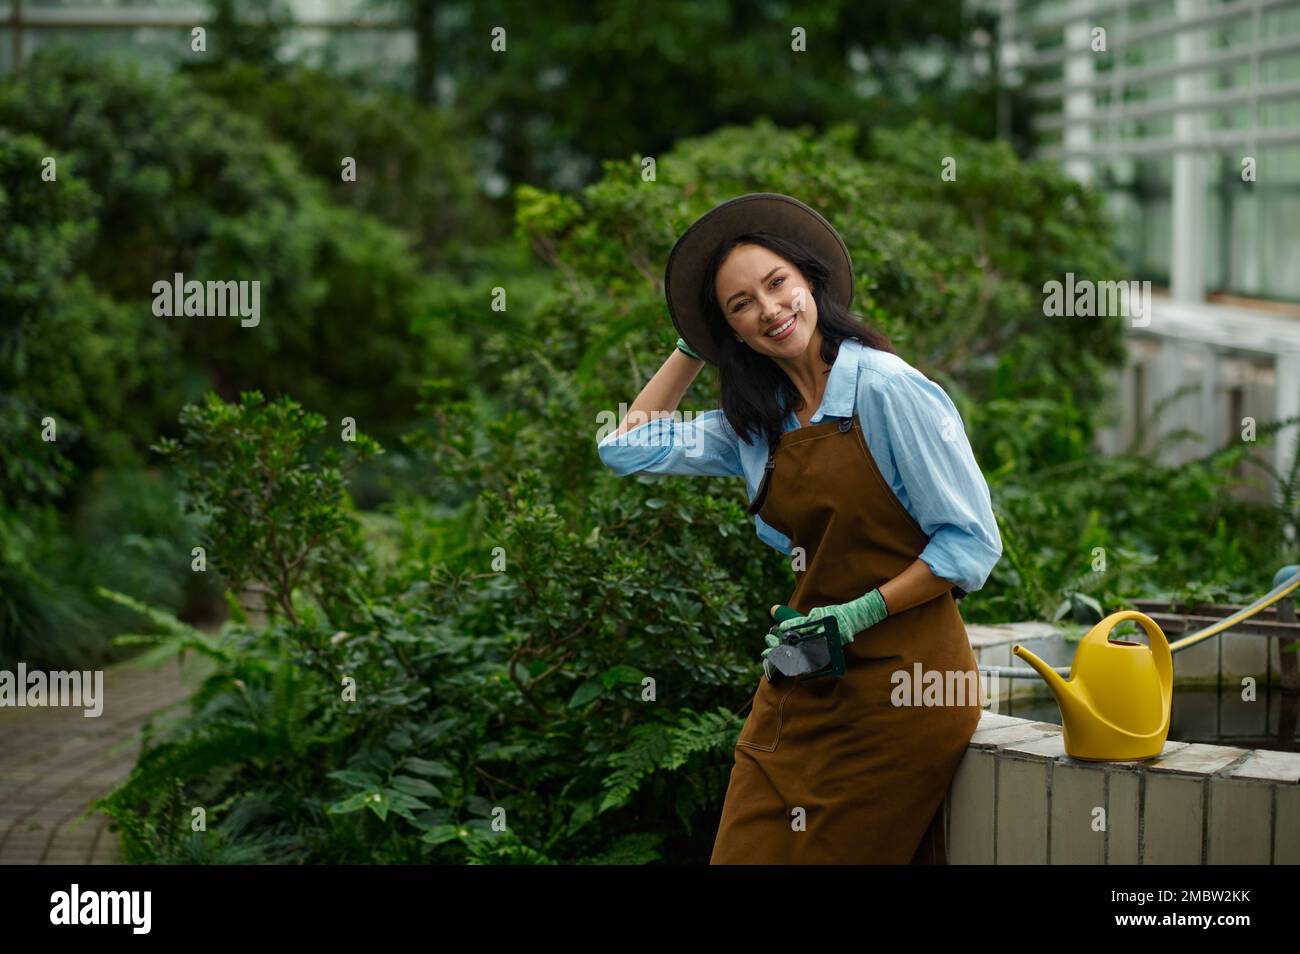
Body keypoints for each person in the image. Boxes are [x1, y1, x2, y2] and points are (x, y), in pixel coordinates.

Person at [595, 193, 1002, 864]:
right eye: (740, 305)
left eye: (777, 283)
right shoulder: (756, 423)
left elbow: (971, 543)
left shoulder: (887, 389)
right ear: (730, 332)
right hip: (802, 675)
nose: (769, 308)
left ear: (810, 280)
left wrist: (860, 611)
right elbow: (625, 448)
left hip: (905, 689)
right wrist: (691, 346)